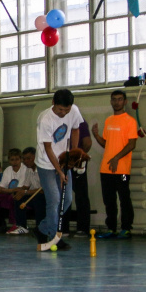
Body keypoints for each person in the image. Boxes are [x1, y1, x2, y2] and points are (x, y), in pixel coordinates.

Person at [36, 88, 84, 249]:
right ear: (53, 103)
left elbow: (76, 129)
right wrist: (59, 171)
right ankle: (53, 236)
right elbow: (48, 149)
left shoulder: (74, 111)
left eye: (67, 110)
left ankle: (42, 228)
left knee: (68, 199)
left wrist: (74, 153)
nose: (63, 113)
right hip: (46, 163)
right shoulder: (45, 119)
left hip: (63, 160)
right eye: (60, 110)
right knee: (55, 199)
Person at [91, 90, 137, 240]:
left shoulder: (130, 121)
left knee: (124, 198)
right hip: (106, 168)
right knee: (109, 200)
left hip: (122, 169)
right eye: (114, 99)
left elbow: (131, 144)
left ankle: (126, 228)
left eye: (119, 99)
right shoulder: (109, 120)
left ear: (125, 102)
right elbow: (106, 143)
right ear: (111, 102)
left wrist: (117, 157)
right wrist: (96, 135)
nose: (117, 102)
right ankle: (111, 228)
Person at [0, 149, 27, 234]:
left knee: (13, 197)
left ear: (21, 159)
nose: (15, 162)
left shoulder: (25, 169)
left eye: (17, 159)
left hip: (22, 196)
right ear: (9, 160)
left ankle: (15, 225)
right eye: (12, 160)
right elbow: (1, 187)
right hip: (9, 194)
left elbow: (18, 189)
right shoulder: (8, 170)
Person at [62, 114, 92, 236]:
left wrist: (78, 157)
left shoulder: (80, 122)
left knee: (80, 195)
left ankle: (83, 228)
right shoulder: (58, 121)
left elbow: (87, 143)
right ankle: (63, 228)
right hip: (63, 161)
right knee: (64, 194)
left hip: (77, 162)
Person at [13, 146, 45, 233]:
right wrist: (18, 192)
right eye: (24, 159)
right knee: (19, 198)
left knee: (38, 198)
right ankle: (21, 226)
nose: (26, 161)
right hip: (33, 195)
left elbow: (43, 190)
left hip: (45, 197)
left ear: (36, 157)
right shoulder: (28, 170)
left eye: (28, 158)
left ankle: (40, 227)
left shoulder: (43, 170)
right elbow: (26, 186)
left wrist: (25, 192)